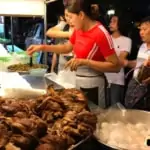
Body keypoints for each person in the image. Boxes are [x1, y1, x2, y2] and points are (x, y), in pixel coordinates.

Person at [27, 0, 121, 108]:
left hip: (94, 85)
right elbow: (67, 48)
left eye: (71, 17)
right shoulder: (78, 30)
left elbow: (115, 66)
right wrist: (42, 47)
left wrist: (84, 61)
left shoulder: (100, 33)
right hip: (77, 81)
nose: (69, 21)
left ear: (81, 15)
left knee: (95, 118)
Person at [124, 16, 150, 110]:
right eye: (140, 29)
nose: (141, 32)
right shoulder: (143, 46)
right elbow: (139, 63)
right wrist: (126, 63)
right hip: (135, 83)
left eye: (144, 29)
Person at [105, 15, 132, 105]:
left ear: (120, 24)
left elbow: (120, 60)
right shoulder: (106, 39)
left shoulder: (126, 40)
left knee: (115, 107)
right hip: (104, 78)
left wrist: (107, 58)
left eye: (114, 21)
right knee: (104, 106)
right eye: (110, 21)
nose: (110, 24)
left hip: (117, 79)